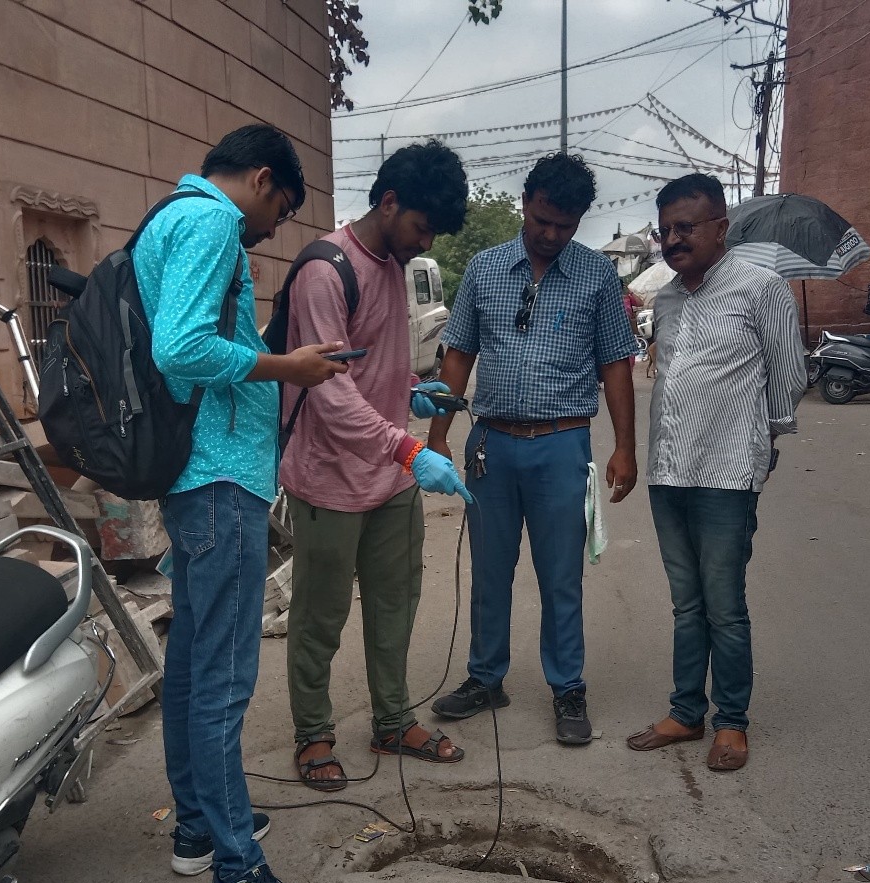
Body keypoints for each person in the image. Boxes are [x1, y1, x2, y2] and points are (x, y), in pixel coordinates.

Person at [134, 124, 349, 883]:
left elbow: (197, 341)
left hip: (203, 477)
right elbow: (183, 347)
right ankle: (236, 872)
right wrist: (287, 368)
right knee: (223, 678)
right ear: (261, 179)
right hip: (219, 478)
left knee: (193, 660)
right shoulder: (211, 221)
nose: (269, 230)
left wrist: (281, 355)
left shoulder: (172, 216)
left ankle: (197, 824)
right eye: (279, 209)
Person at [280, 141, 474, 791]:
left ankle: (393, 719)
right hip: (331, 481)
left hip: (389, 480)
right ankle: (313, 735)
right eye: (421, 227)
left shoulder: (394, 263)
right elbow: (331, 395)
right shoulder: (326, 271)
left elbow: (366, 366)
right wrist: (411, 446)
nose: (424, 243)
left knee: (395, 607)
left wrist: (408, 393)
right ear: (388, 202)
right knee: (319, 618)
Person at [427, 153, 640, 746]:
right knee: (490, 573)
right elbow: (458, 355)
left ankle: (567, 686)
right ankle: (485, 678)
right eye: (543, 220)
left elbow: (616, 364)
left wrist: (625, 446)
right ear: (526, 203)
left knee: (560, 576)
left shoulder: (597, 277)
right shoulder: (484, 269)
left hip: (561, 446)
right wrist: (438, 436)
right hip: (491, 444)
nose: (551, 234)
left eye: (565, 226)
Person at [624, 173, 805, 772]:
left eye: (687, 227)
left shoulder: (760, 288)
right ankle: (685, 710)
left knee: (723, 604)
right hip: (668, 470)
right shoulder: (669, 297)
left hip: (726, 472)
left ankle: (731, 721)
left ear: (720, 228)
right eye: (667, 229)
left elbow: (789, 373)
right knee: (685, 602)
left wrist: (764, 442)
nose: (675, 239)